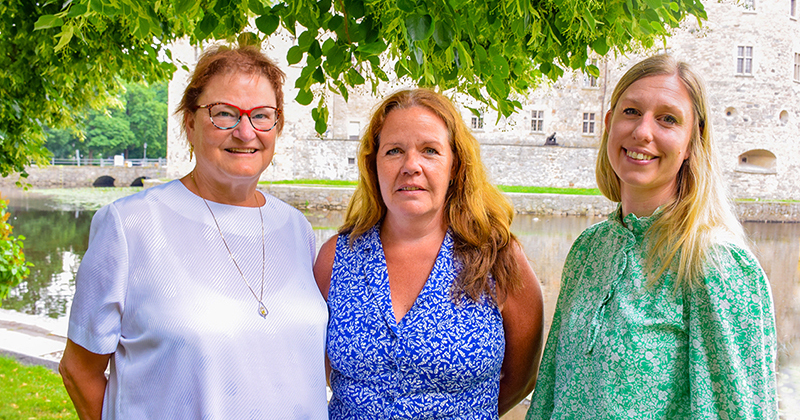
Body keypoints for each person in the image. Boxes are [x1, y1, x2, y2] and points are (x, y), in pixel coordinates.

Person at [59, 45, 328, 419]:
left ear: (277, 125)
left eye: (262, 116)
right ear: (190, 121)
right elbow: (78, 370)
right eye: (224, 114)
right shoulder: (129, 225)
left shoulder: (297, 229)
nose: (246, 131)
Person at [527, 55, 777, 419]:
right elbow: (549, 390)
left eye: (668, 119)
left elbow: (739, 412)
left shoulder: (717, 264)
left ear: (693, 141)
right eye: (631, 112)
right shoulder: (590, 249)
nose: (643, 131)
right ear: (610, 124)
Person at [314, 88, 545, 419]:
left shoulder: (497, 258)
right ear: (373, 164)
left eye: (430, 151)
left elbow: (521, 379)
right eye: (394, 151)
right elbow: (323, 370)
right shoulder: (336, 258)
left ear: (455, 166)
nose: (411, 166)